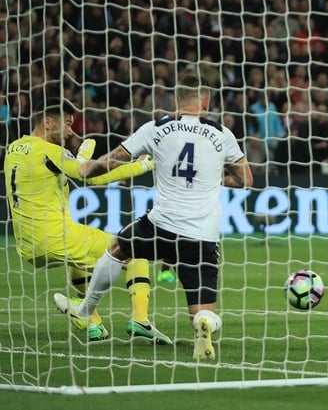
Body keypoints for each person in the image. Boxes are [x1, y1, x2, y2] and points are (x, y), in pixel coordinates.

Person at [54, 75, 253, 359]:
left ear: (177, 101)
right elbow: (246, 180)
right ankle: (205, 323)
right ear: (206, 102)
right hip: (202, 236)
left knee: (116, 250)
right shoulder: (223, 134)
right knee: (203, 311)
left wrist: (87, 169)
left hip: (161, 224)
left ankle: (85, 310)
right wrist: (214, 179)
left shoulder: (156, 128)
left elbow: (117, 158)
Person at [4, 101, 170, 344]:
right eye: (67, 124)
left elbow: (63, 170)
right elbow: (91, 176)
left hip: (27, 246)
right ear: (48, 122)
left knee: (77, 262)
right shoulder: (50, 152)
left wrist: (78, 155)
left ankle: (93, 324)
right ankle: (140, 319)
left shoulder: (14, 147)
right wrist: (144, 165)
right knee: (134, 251)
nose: (71, 132)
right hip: (55, 235)